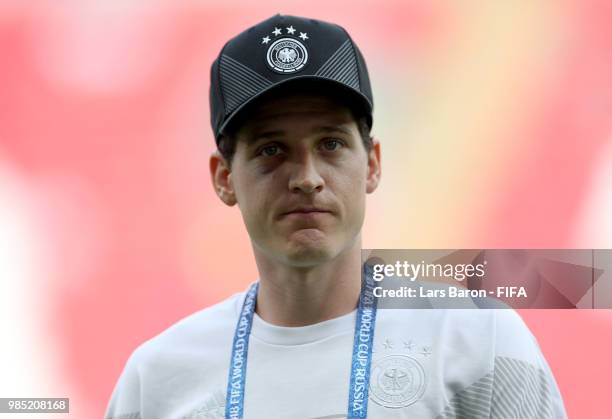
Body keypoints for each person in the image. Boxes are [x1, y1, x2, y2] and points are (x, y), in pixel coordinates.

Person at [105, 14, 567, 419]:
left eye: (330, 144)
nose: (307, 177)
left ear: (372, 164)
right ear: (224, 178)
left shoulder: (478, 342)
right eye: (272, 150)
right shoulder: (158, 377)